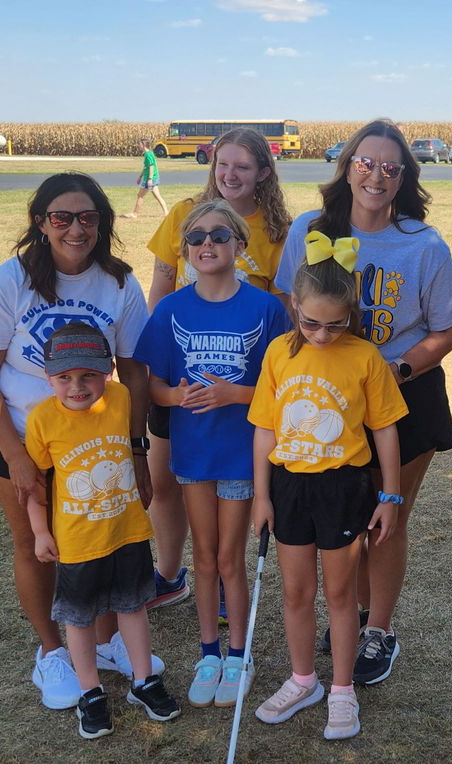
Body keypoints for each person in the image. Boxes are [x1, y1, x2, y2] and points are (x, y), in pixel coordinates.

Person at [274, 118, 452, 685]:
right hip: (328, 401)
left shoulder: (423, 244)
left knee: (387, 518)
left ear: (404, 177)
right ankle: (351, 616)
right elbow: (288, 298)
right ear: (347, 167)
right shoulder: (310, 229)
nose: (376, 175)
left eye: (390, 167)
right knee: (342, 517)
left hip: (405, 397)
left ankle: (378, 629)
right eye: (366, 162)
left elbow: (451, 325)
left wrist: (399, 368)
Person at [0, 172, 158, 710]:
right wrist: (16, 456)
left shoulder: (118, 283)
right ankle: (52, 652)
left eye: (88, 217)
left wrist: (136, 450)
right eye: (62, 217)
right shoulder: (10, 281)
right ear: (41, 222)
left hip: (96, 442)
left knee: (104, 536)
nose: (76, 228)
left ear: (102, 223)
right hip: (20, 434)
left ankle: (105, 644)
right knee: (38, 543)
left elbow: (133, 372)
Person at [249, 236, 408, 739]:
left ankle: (342, 689)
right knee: (296, 591)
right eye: (311, 322)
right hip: (289, 486)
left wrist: (390, 496)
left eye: (335, 324)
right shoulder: (278, 353)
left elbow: (385, 429)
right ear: (294, 306)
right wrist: (261, 495)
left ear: (351, 315)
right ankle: (303, 681)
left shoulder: (365, 357)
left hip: (342, 486)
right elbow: (265, 429)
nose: (322, 334)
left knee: (340, 594)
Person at [133, 200, 290, 708]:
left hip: (242, 455)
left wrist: (233, 394)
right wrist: (177, 397)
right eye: (196, 237)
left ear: (239, 246)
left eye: (219, 235)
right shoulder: (171, 310)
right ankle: (208, 654)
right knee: (202, 556)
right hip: (193, 454)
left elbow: (283, 388)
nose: (207, 243)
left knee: (228, 557)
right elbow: (153, 385)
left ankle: (239, 654)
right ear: (184, 250)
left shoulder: (265, 309)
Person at [142, 128, 292, 618]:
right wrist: (166, 363)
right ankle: (170, 573)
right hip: (182, 370)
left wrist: (243, 391)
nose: (230, 174)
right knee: (167, 479)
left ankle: (229, 581)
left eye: (243, 166)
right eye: (223, 164)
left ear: (263, 173)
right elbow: (161, 288)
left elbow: (282, 317)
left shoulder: (278, 231)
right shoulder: (184, 213)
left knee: (232, 490)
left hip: (241, 388)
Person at [25, 322, 181, 739]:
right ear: (48, 377)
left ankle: (143, 680)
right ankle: (89, 692)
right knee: (80, 619)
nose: (77, 386)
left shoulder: (122, 398)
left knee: (133, 607)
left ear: (108, 371)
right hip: (78, 542)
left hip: (127, 531)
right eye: (64, 377)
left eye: (88, 375)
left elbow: (134, 445)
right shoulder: (42, 420)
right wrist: (41, 532)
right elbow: (36, 485)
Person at [120, 138, 168, 218]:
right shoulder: (149, 153)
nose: (138, 146)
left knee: (140, 195)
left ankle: (135, 213)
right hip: (153, 178)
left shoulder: (148, 154)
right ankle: (166, 213)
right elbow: (146, 167)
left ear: (143, 145)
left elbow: (151, 166)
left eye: (140, 144)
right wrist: (140, 176)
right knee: (157, 196)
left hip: (150, 179)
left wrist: (150, 179)